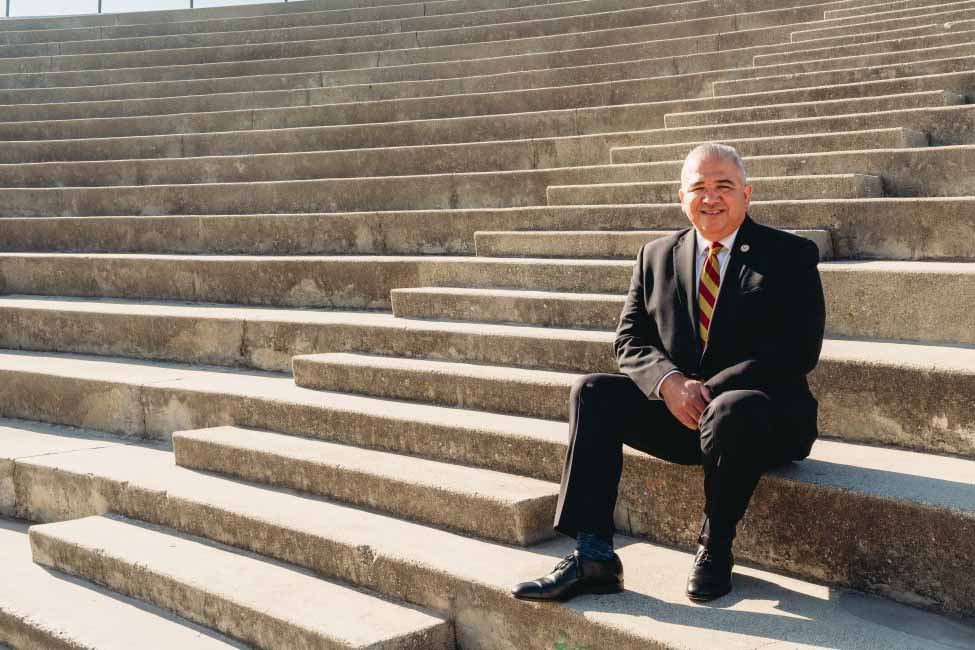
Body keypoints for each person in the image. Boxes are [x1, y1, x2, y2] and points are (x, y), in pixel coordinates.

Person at [512, 143, 825, 603]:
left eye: (724, 186)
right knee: (593, 392)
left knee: (730, 409)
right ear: (682, 197)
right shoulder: (655, 256)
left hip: (762, 420)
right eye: (699, 187)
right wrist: (670, 384)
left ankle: (714, 548)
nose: (711, 197)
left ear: (747, 194)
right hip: (684, 418)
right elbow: (629, 341)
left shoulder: (790, 254)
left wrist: (706, 391)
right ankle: (593, 553)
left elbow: (796, 350)